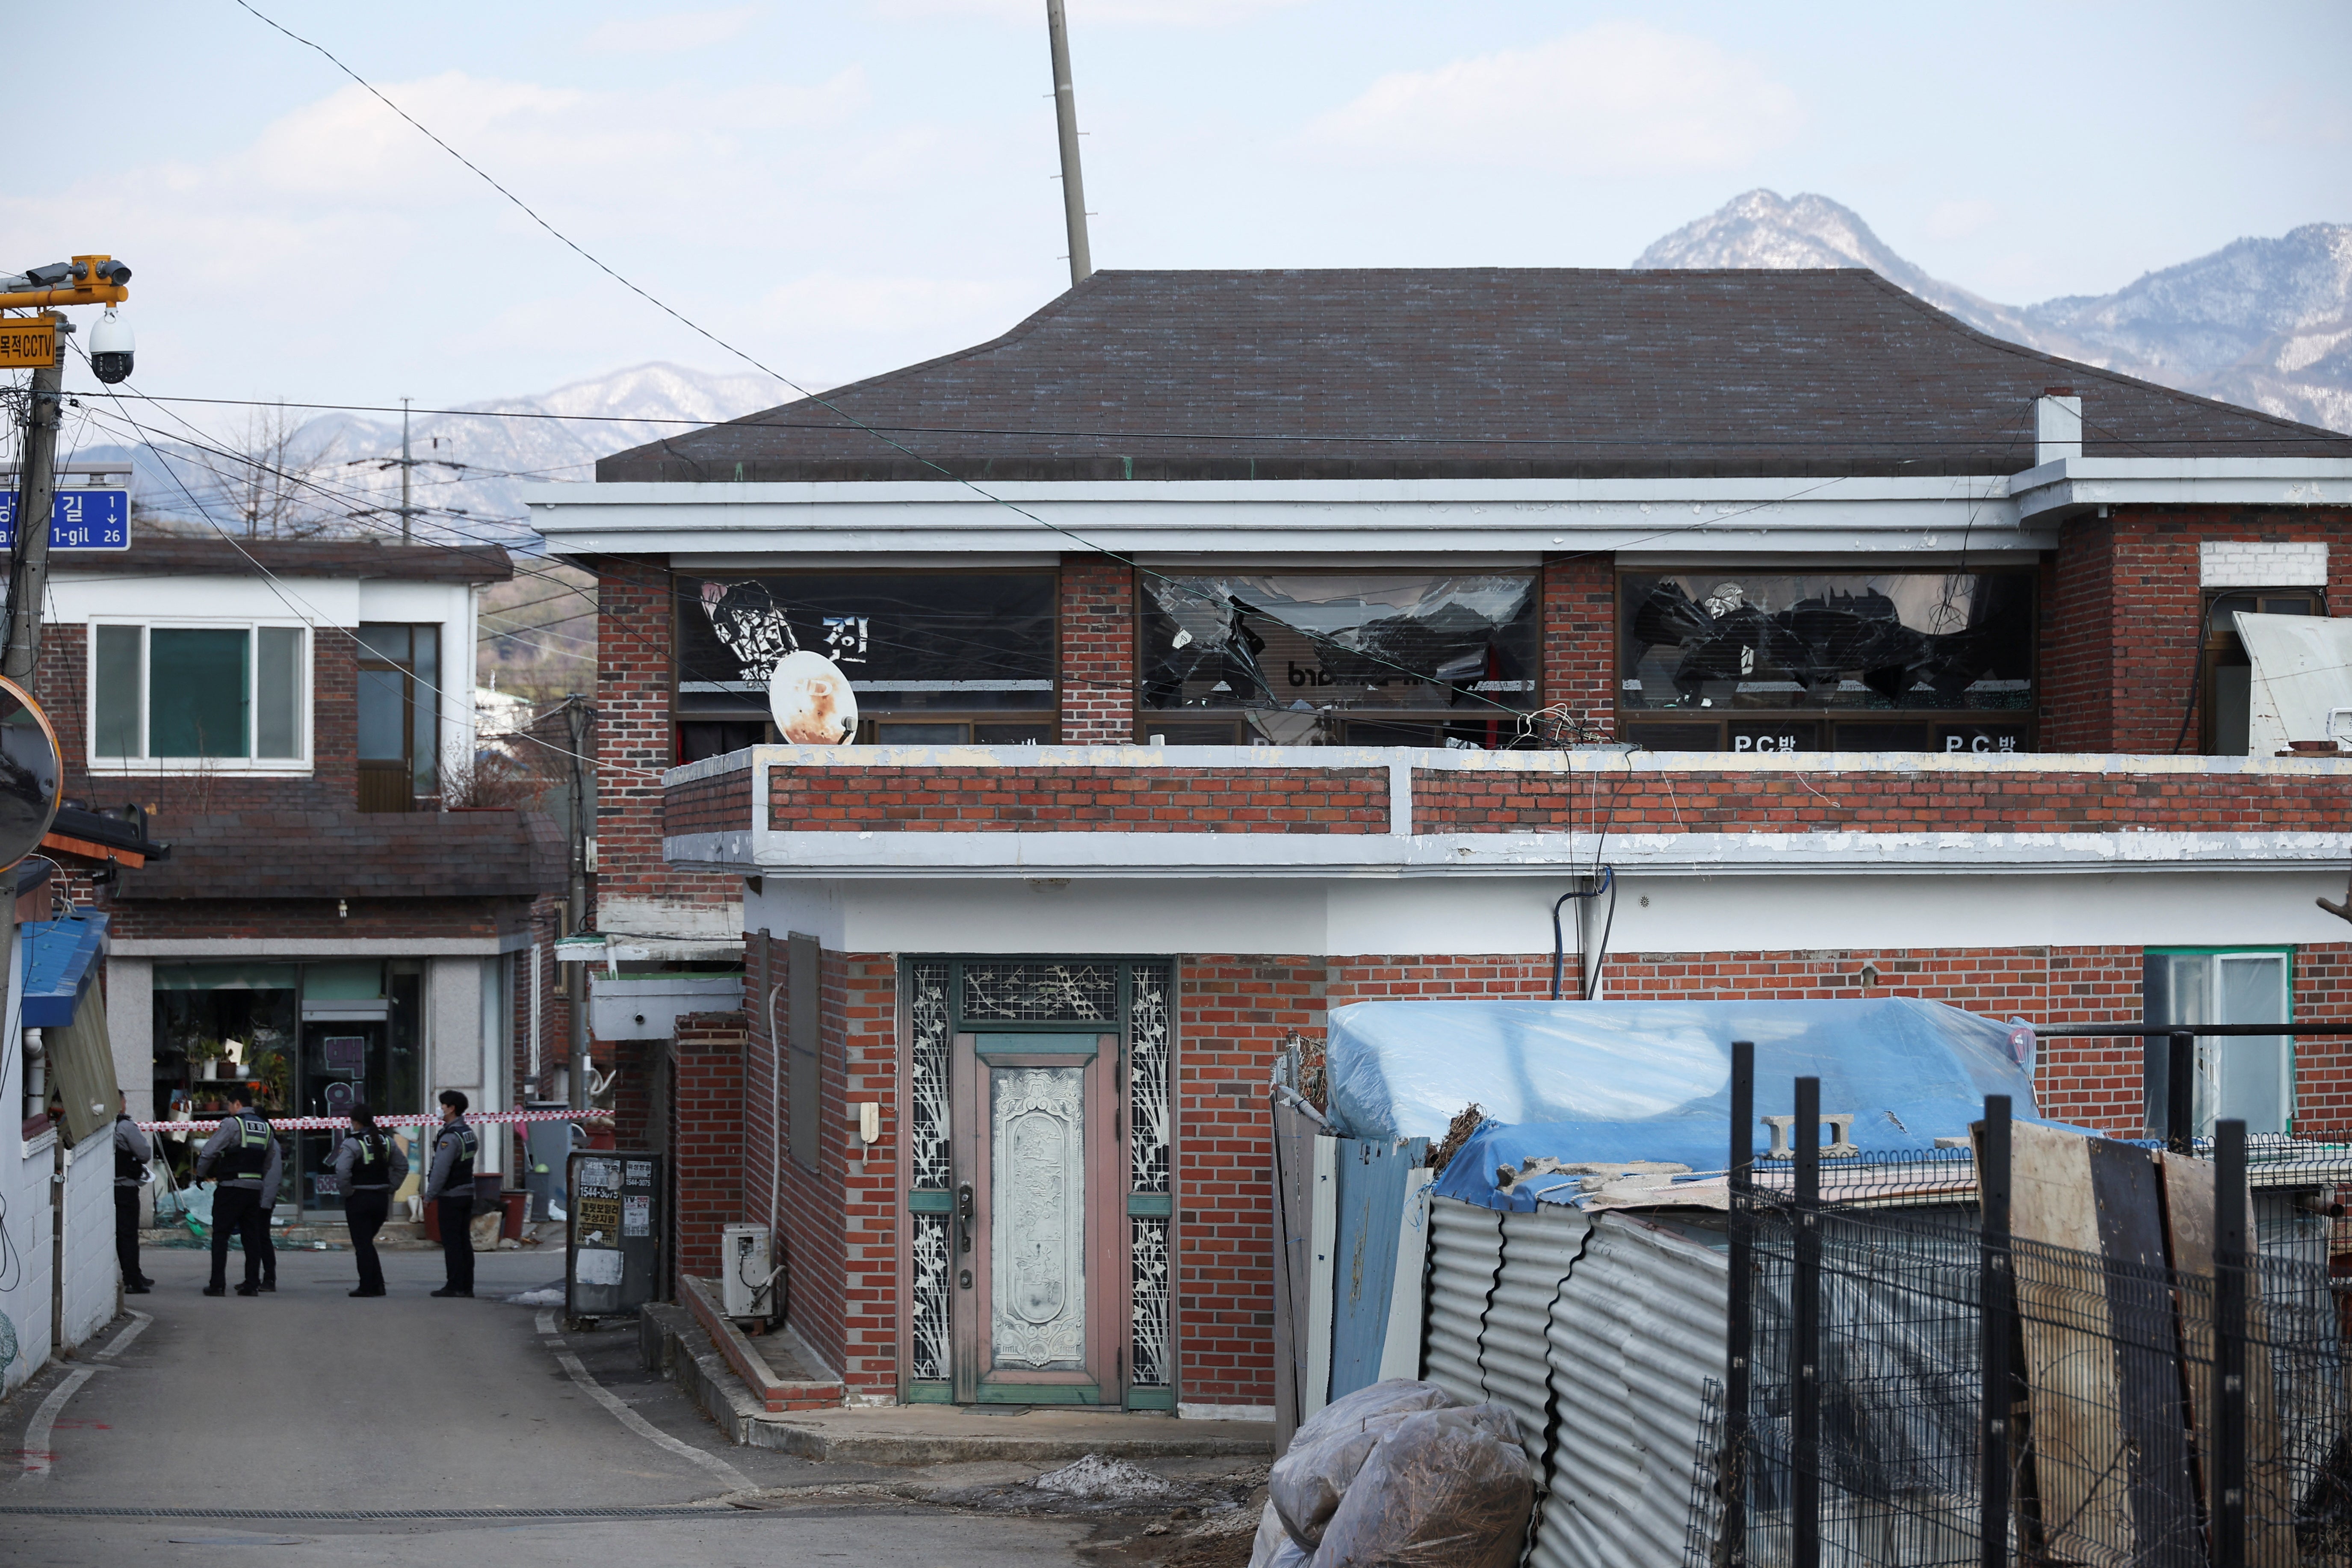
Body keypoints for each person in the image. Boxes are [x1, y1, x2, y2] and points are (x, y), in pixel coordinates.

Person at [193, 1087, 280, 1297]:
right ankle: (251, 1285)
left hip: (231, 1187)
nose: (229, 1110)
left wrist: (200, 1174)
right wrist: (256, 1177)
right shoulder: (266, 1127)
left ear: (238, 1104)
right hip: (254, 1189)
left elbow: (210, 1151)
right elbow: (269, 1160)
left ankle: (217, 1285)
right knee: (251, 1238)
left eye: (230, 1106)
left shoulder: (233, 1124)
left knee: (221, 1235)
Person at [334, 1104, 406, 1297]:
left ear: (356, 1122)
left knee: (362, 1244)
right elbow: (403, 1166)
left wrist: (347, 1192)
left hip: (359, 1198)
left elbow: (342, 1170)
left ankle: (368, 1285)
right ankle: (378, 1284)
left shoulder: (352, 1143)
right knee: (366, 1242)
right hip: (381, 1200)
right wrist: (391, 1187)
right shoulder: (387, 1141)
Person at [420, 1089, 479, 1298]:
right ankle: (467, 1285)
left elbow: (441, 1170)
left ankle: (455, 1285)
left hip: (451, 1195)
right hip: (466, 1192)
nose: (440, 1109)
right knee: (464, 1241)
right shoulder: (468, 1132)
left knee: (452, 1242)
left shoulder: (450, 1137)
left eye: (443, 1105)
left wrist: (430, 1196)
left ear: (452, 1108)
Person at [112, 1093, 154, 1296]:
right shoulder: (125, 1127)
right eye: (124, 1101)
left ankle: (135, 1275)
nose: (126, 1105)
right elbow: (145, 1153)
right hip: (126, 1187)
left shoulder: (103, 1128)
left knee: (121, 1235)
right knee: (128, 1235)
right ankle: (133, 1279)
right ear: (119, 1104)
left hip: (108, 1189)